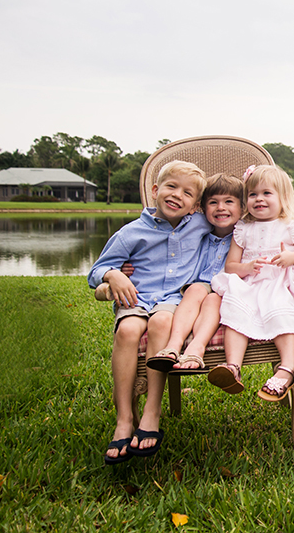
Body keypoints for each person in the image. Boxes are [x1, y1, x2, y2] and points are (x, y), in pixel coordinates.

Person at [88, 160, 209, 464]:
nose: (177, 195)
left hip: (171, 300)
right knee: (128, 331)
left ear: (195, 205)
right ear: (155, 190)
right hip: (136, 298)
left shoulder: (199, 224)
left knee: (161, 323)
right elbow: (97, 270)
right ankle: (124, 419)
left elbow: (233, 216)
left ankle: (151, 412)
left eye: (187, 193)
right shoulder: (131, 233)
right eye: (171, 187)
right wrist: (113, 275)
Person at [207, 164, 294, 402]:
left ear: (283, 198)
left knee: (283, 313)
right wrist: (246, 268)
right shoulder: (243, 228)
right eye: (252, 194)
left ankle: (287, 367)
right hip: (250, 284)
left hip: (279, 285)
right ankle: (233, 367)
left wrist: (293, 257)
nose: (259, 199)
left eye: (266, 193)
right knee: (235, 312)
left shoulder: (290, 227)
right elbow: (231, 266)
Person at [145, 174, 244, 374]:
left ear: (242, 208)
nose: (221, 208)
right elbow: (163, 248)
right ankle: (173, 346)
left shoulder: (245, 236)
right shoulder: (195, 232)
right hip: (195, 289)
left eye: (229, 202)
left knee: (212, 299)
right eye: (213, 202)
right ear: (202, 208)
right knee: (196, 289)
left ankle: (196, 347)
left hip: (230, 291)